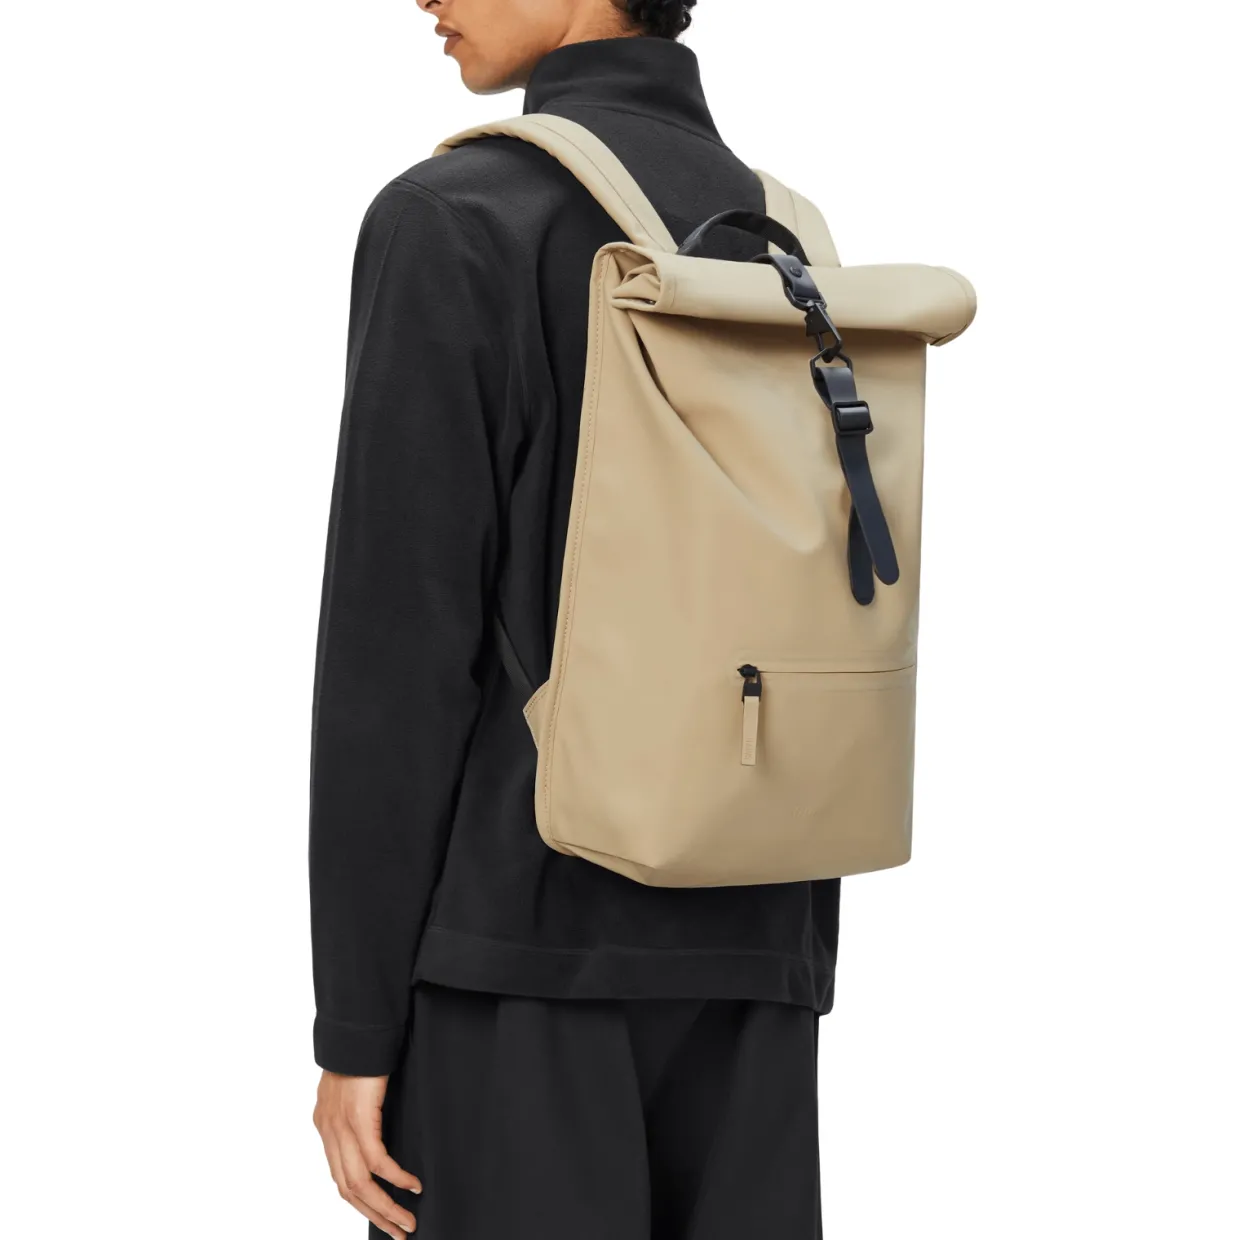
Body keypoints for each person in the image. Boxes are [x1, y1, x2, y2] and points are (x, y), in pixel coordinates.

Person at [310, 1, 840, 1236]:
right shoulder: (783, 238)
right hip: (762, 934)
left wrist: (356, 1025)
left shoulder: (454, 217)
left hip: (517, 955)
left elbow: (397, 656)